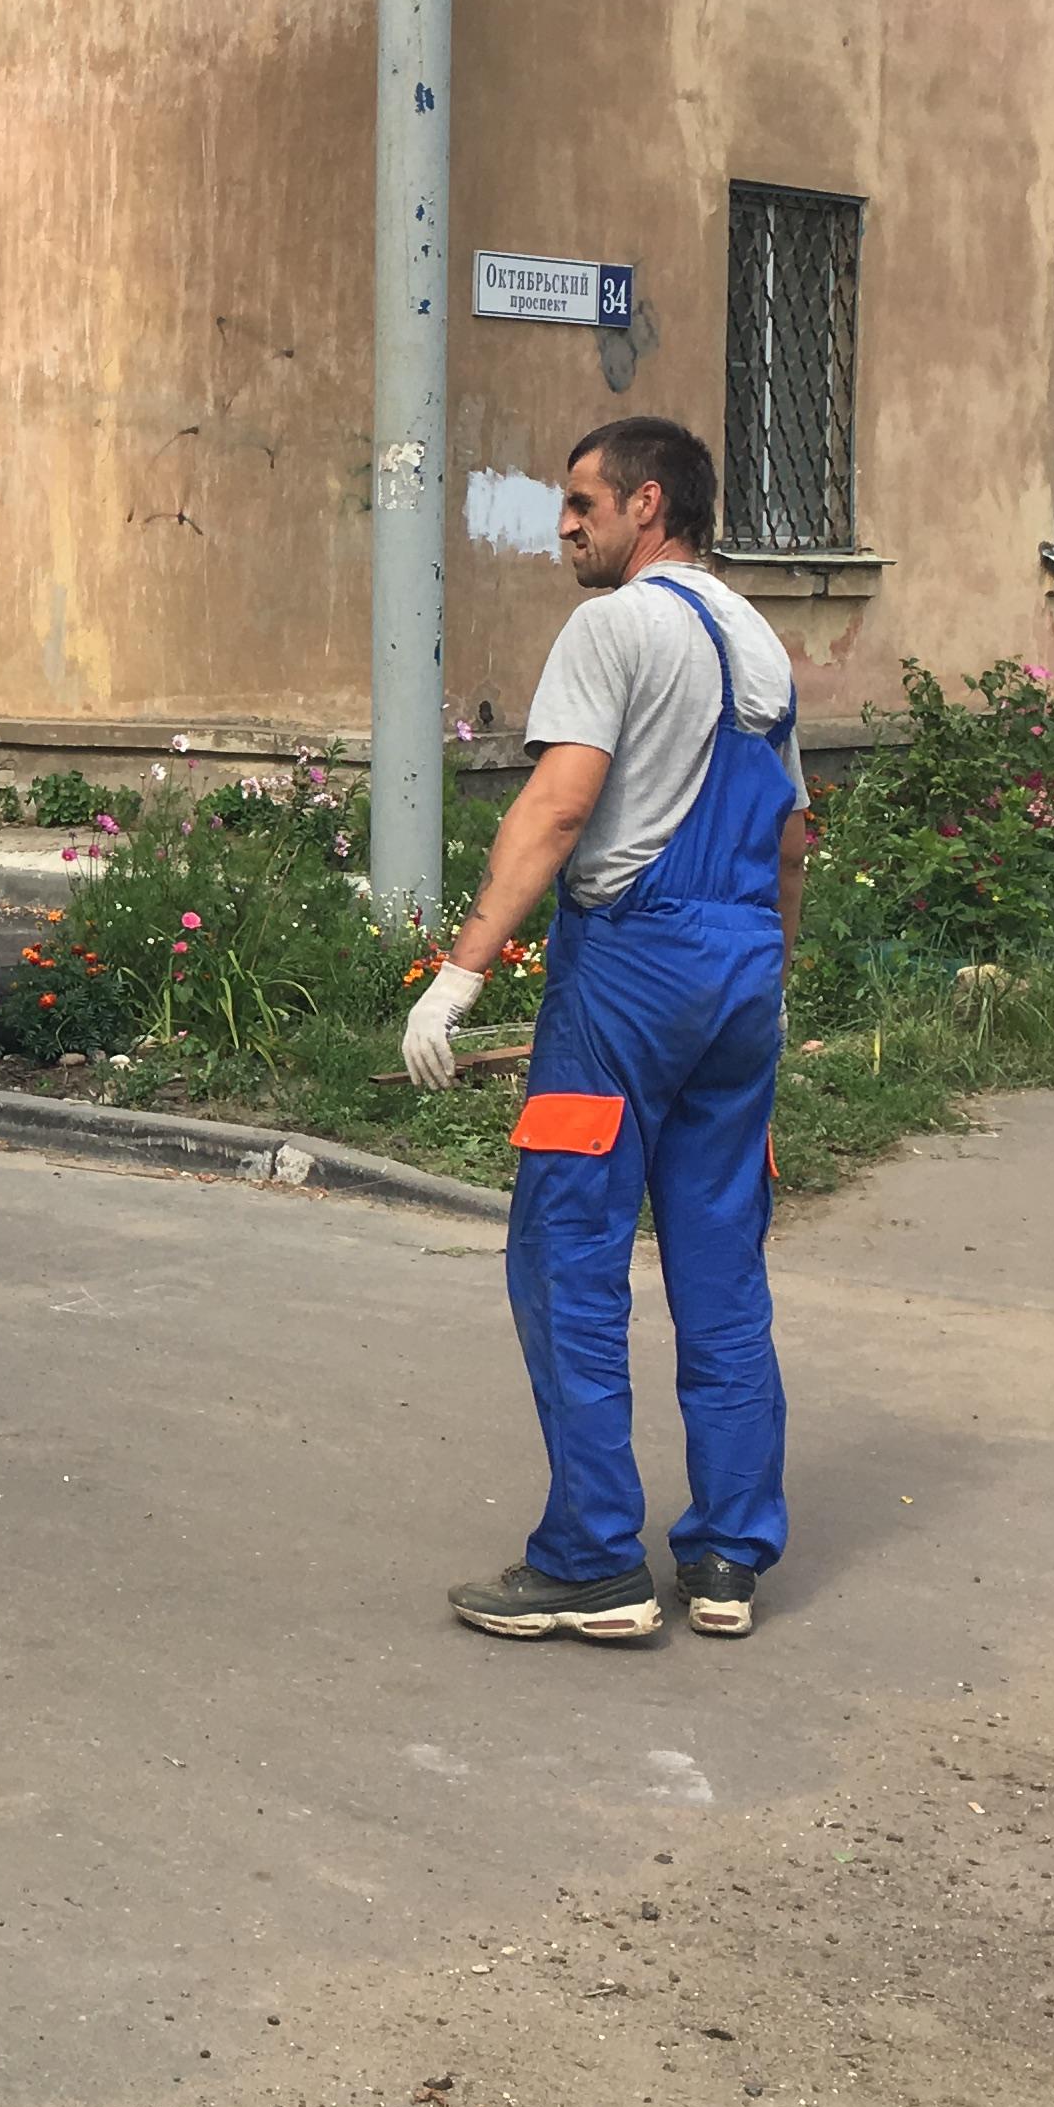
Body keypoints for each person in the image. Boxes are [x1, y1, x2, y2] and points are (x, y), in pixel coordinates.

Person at [401, 416, 813, 1646]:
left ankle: (593, 1561)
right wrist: (769, 982)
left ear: (647, 505)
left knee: (568, 1256)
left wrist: (460, 974)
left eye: (581, 503)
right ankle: (730, 1557)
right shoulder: (757, 639)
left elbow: (560, 805)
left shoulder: (612, 626)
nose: (564, 525)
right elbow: (791, 838)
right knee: (721, 1269)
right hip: (740, 972)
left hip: (632, 975)